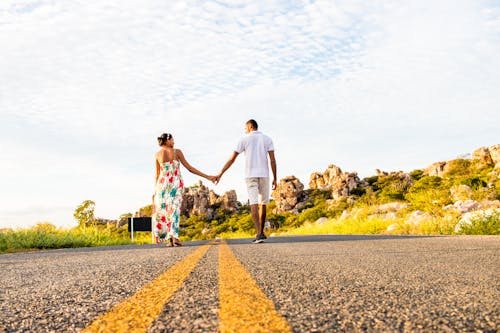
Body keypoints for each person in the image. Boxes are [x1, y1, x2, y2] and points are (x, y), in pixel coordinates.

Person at [216, 119, 277, 243]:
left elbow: (232, 159)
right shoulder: (267, 139)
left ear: (250, 126)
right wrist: (275, 177)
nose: (245, 130)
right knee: (263, 203)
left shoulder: (244, 139)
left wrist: (221, 173)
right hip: (264, 174)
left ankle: (258, 233)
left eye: (245, 128)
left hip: (250, 175)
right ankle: (261, 232)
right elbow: (272, 160)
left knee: (253, 202)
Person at [153, 133, 216, 247]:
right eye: (172, 140)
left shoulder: (157, 154)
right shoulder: (177, 152)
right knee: (175, 209)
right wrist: (208, 176)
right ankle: (175, 238)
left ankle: (170, 240)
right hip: (176, 184)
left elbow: (157, 175)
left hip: (162, 185)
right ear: (167, 140)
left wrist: (155, 191)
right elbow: (190, 168)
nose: (174, 142)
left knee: (165, 211)